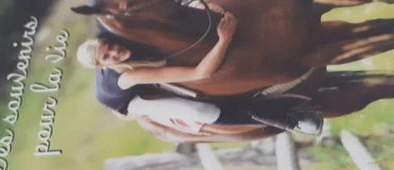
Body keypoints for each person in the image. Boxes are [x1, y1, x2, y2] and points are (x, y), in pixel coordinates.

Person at [76, 8, 323, 136]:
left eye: (109, 47)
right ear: (104, 66)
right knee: (201, 112)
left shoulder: (114, 32)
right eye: (107, 57)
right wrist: (224, 39)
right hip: (129, 102)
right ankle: (292, 119)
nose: (114, 52)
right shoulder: (128, 76)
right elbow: (199, 73)